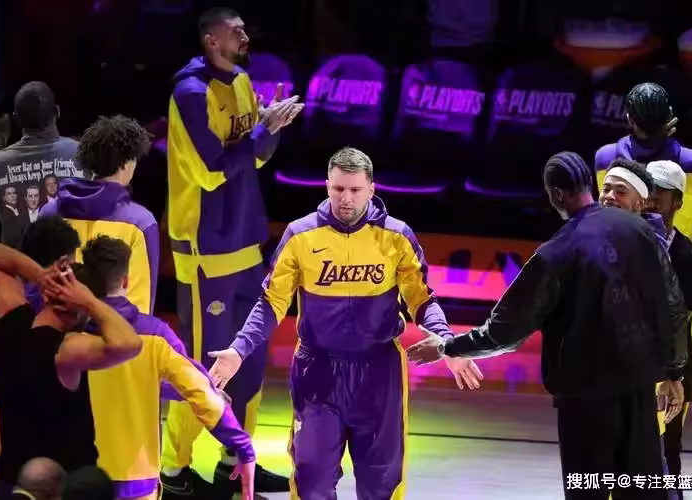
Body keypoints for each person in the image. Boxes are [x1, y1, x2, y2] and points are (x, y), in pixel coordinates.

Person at [407, 151, 687, 500]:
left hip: (585, 403)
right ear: (591, 185)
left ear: (555, 194)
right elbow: (673, 305)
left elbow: (505, 333)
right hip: (640, 392)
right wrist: (675, 371)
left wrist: (446, 346)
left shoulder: (556, 253)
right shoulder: (643, 231)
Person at [206, 147, 483, 499]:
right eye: (338, 189)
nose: (346, 198)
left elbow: (422, 300)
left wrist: (447, 343)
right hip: (317, 373)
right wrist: (238, 350)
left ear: (371, 189)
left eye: (354, 190)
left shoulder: (397, 237)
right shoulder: (300, 235)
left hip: (379, 374)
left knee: (382, 484)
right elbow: (270, 302)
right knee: (311, 482)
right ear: (327, 186)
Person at [162, 7, 303, 494]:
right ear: (211, 40)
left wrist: (271, 128)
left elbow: (254, 158)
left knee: (250, 360)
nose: (245, 35)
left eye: (245, 28)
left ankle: (235, 460)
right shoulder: (190, 93)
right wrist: (260, 133)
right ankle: (173, 470)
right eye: (235, 30)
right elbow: (211, 170)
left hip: (246, 239)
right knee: (204, 366)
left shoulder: (242, 80)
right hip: (206, 247)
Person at [78, 236, 256, 500]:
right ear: (126, 281)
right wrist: (243, 447)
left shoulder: (67, 335)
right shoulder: (155, 335)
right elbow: (198, 393)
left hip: (77, 477)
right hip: (136, 479)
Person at [0, 242, 141, 495]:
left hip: (13, 483)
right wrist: (89, 301)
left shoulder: (11, 321)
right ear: (82, 310)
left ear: (46, 296)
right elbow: (130, 344)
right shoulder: (65, 350)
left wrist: (43, 277)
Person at [0, 217, 82, 494]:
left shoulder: (2, 317)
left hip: (10, 466)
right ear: (64, 264)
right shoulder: (77, 322)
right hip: (63, 471)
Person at [39, 115, 159, 315]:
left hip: (55, 329)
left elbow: (36, 285)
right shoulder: (141, 223)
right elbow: (140, 306)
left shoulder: (48, 212)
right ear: (124, 164)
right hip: (111, 331)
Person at [644, 161, 692, 500]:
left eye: (660, 193)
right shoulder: (625, 242)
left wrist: (676, 373)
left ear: (678, 202)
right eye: (648, 190)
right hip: (630, 365)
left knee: (668, 452)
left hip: (671, 369)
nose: (651, 199)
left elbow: (684, 318)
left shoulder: (688, 255)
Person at [594, 82, 692, 241]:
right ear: (669, 115)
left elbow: (608, 211)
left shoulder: (605, 158)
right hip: (674, 256)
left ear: (629, 119)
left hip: (622, 255)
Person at [0, 81, 89, 248]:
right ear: (57, 112)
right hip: (74, 263)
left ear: (16, 119)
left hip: (17, 264)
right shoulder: (84, 154)